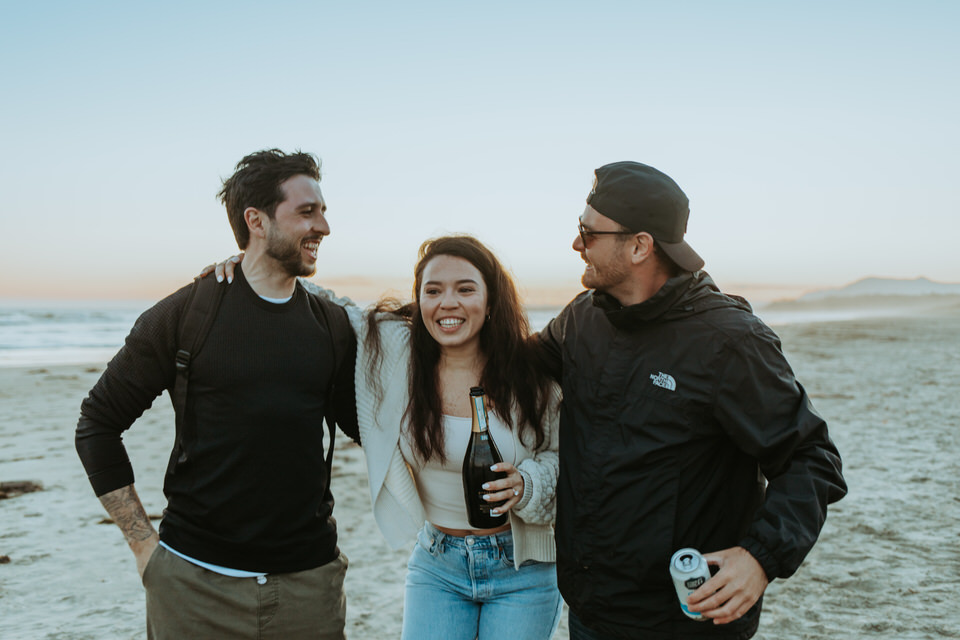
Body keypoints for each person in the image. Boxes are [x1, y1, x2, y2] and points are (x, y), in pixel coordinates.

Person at [534, 161, 848, 639]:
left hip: (685, 619)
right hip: (590, 610)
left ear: (640, 245)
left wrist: (760, 558)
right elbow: (515, 366)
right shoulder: (582, 319)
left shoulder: (729, 342)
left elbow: (811, 458)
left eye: (588, 232)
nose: (577, 244)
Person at [213, 235, 563, 639]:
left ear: (491, 300)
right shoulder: (397, 354)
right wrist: (257, 265)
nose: (447, 302)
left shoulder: (531, 375)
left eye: (465, 289)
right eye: (433, 291)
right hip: (439, 564)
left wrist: (528, 484)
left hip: (522, 569)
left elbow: (563, 456)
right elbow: (329, 307)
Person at [75, 149, 358, 640]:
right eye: (307, 212)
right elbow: (98, 424)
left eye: (324, 211)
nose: (325, 227)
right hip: (193, 586)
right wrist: (145, 547)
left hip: (309, 588)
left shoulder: (332, 326)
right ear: (257, 221)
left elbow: (369, 424)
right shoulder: (186, 315)